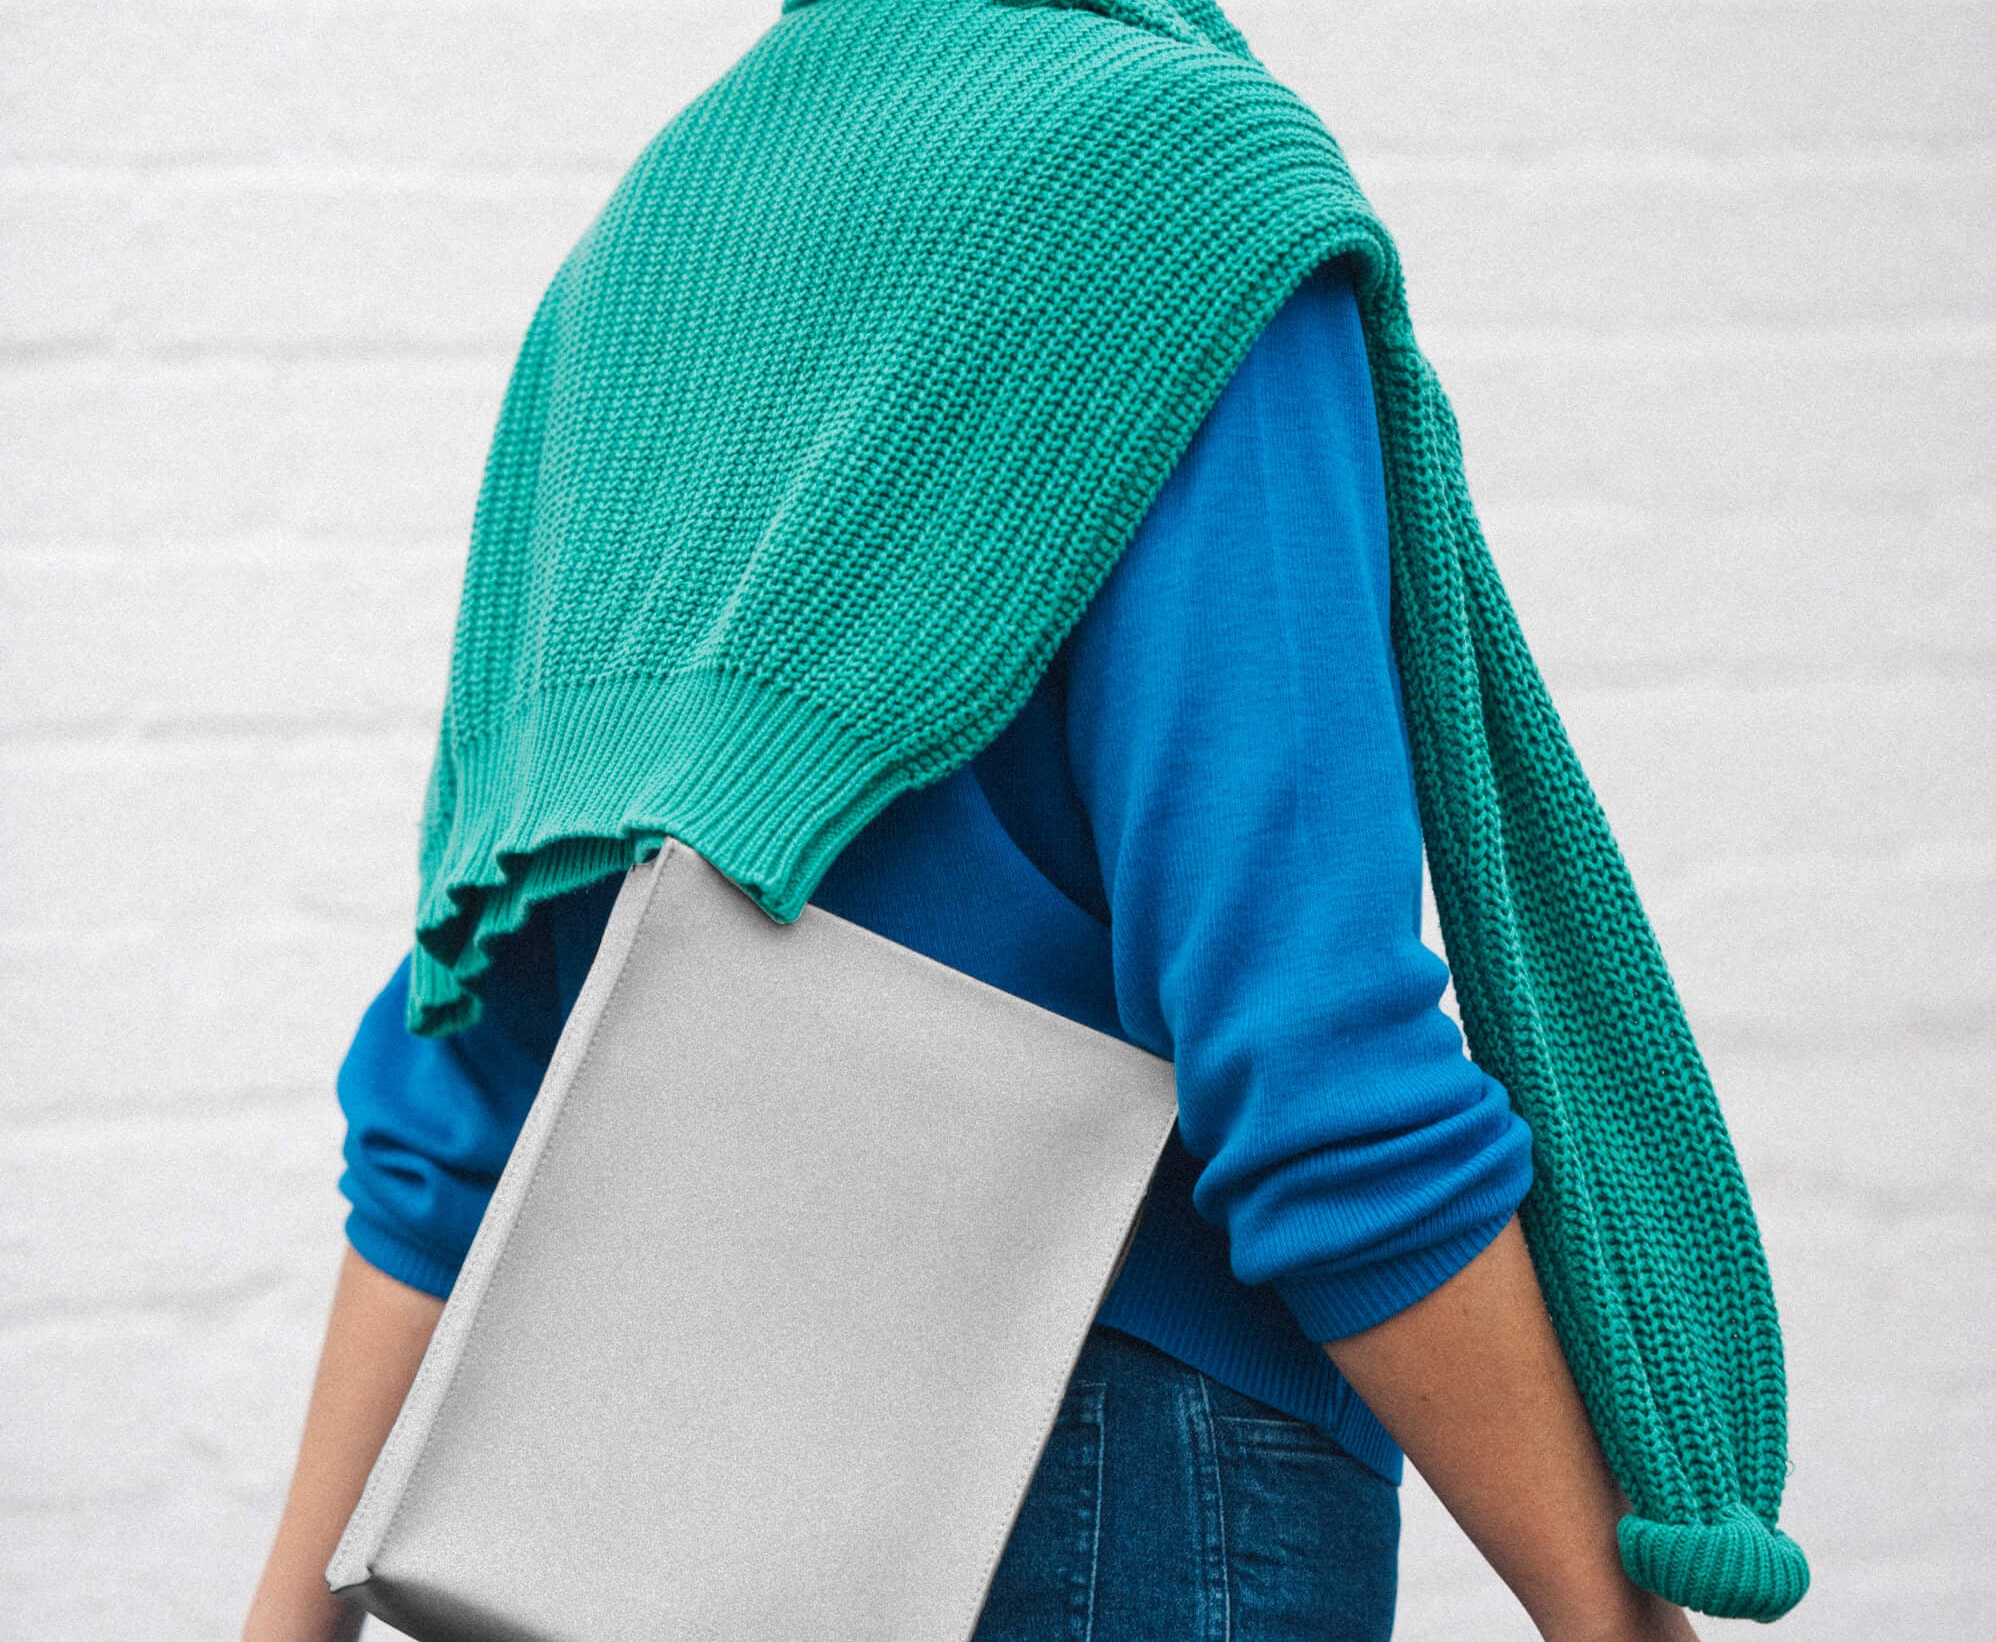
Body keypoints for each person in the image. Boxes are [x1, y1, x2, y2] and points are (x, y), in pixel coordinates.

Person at [243, 255, 1702, 1641]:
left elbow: (470, 1059)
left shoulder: (637, 266)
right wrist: (1614, 1619)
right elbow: (1311, 1063)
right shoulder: (1187, 225)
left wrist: (287, 1620)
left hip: (637, 1498)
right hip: (1130, 1480)